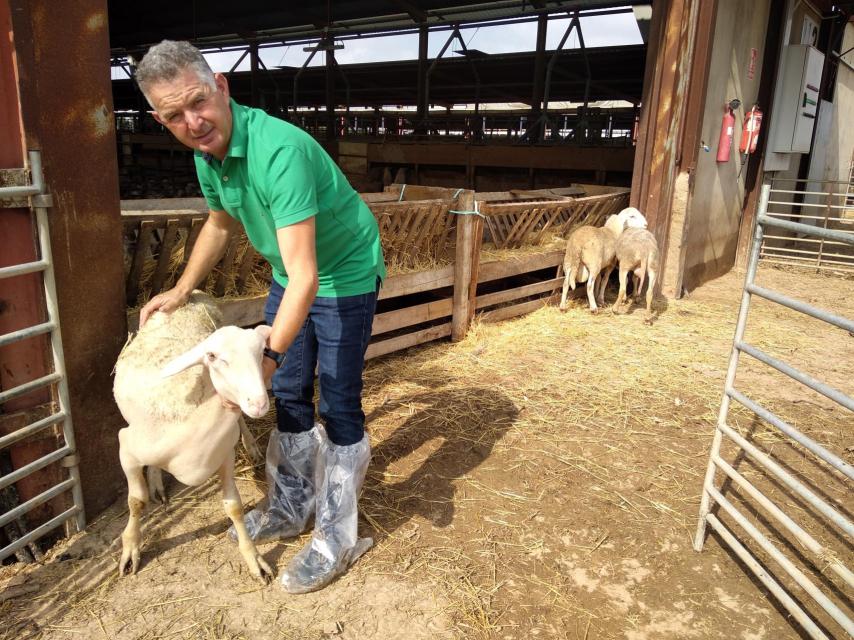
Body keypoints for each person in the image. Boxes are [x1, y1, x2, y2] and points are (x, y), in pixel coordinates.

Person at [134, 40, 385, 594]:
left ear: (221, 86)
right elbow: (221, 223)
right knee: (292, 392)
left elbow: (308, 278)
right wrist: (181, 287)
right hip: (290, 274)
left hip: (342, 272)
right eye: (174, 115)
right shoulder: (207, 156)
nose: (192, 122)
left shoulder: (279, 152)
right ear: (159, 117)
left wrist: (262, 363)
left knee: (337, 395)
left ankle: (337, 533)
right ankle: (292, 504)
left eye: (198, 102)